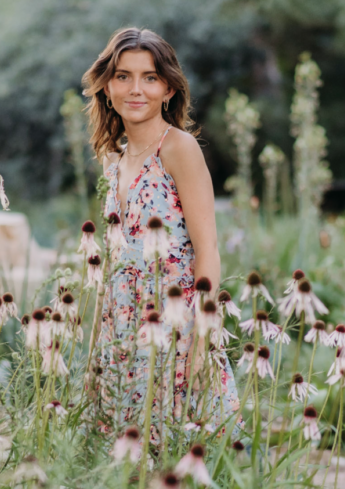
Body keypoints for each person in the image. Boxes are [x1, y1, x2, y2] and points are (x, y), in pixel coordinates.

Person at [82, 26, 239, 439]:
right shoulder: (111, 160)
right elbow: (113, 259)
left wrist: (203, 342)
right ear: (107, 88)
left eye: (150, 77)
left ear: (168, 89)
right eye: (123, 76)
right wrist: (96, 352)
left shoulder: (179, 148)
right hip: (122, 332)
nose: (137, 89)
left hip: (176, 328)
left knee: (182, 455)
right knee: (126, 463)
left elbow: (207, 251)